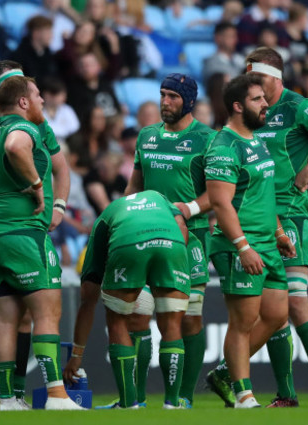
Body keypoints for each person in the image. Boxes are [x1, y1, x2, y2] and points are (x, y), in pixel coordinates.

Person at [213, 46, 308, 408]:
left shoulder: (298, 107)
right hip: (260, 218)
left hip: (292, 213)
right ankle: (285, 394)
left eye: (259, 77)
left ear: (276, 78)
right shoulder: (252, 113)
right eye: (250, 77)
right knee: (274, 310)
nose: (254, 83)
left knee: (296, 303)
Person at [0, 75, 80, 410]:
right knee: (46, 312)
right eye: (39, 96)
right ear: (24, 102)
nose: (43, 101)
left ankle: (5, 400)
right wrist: (35, 184)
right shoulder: (22, 128)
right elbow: (16, 147)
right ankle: (56, 395)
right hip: (23, 233)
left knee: (7, 318)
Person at [123, 73, 215, 408]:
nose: (165, 102)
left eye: (173, 96)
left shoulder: (208, 139)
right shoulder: (146, 136)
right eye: (162, 95)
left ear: (188, 101)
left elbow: (219, 194)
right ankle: (137, 401)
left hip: (191, 237)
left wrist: (187, 210)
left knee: (188, 317)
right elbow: (134, 186)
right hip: (146, 235)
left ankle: (183, 399)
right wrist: (122, 218)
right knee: (139, 313)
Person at [205, 73, 295, 408]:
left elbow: (262, 194)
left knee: (275, 316)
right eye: (258, 99)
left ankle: (225, 373)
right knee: (242, 322)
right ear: (238, 106)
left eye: (265, 98)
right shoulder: (224, 146)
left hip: (268, 244)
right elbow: (220, 203)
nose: (266, 104)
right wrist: (243, 247)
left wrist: (279, 233)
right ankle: (243, 394)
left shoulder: (257, 140)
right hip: (238, 246)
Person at [62, 190, 191, 409]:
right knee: (172, 324)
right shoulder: (158, 196)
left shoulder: (104, 218)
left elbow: (88, 299)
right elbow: (181, 224)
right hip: (173, 243)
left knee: (117, 321)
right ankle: (172, 403)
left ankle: (129, 403)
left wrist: (76, 354)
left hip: (128, 244)